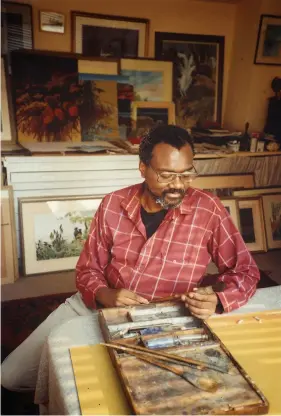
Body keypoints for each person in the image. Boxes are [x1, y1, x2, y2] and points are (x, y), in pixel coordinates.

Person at [1, 125, 259, 393]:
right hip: (95, 306)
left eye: (186, 174)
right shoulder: (113, 204)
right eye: (166, 175)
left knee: (127, 390)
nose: (178, 186)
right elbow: (88, 269)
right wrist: (104, 293)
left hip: (166, 317)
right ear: (143, 168)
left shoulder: (208, 209)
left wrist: (218, 299)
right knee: (11, 376)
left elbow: (245, 271)